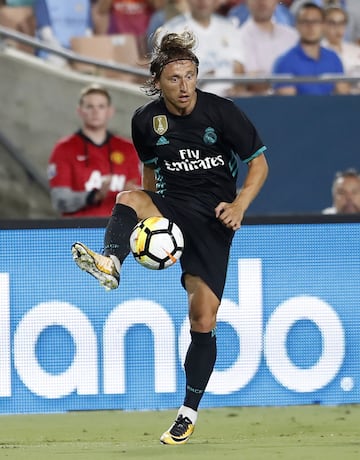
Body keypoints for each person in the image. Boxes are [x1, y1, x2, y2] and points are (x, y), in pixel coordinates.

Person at [71, 31, 268, 444]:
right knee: (129, 196)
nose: (184, 86)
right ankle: (111, 261)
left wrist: (240, 206)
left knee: (203, 319)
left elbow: (259, 165)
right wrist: (155, 228)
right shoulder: (146, 120)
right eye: (175, 78)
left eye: (190, 76)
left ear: (197, 76)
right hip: (175, 209)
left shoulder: (223, 112)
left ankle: (188, 413)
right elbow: (148, 177)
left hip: (215, 221)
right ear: (158, 81)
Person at [48, 84, 141, 218]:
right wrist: (95, 195)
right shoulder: (64, 148)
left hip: (121, 228)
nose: (95, 112)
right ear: (80, 111)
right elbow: (60, 201)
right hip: (79, 230)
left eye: (101, 106)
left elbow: (141, 192)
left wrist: (134, 194)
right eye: (89, 106)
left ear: (110, 111)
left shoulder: (127, 148)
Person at [155, 0, 246, 96]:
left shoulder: (230, 27)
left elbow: (239, 66)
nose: (202, 1)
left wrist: (237, 90)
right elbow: (164, 76)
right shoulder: (171, 31)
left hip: (230, 100)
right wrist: (198, 81)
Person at [273, 2, 350, 95]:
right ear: (297, 25)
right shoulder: (285, 62)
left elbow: (343, 97)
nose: (311, 27)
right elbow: (288, 105)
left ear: (323, 25)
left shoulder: (334, 58)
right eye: (305, 22)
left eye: (316, 21)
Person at [231, 0, 298, 95]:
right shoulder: (238, 37)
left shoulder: (292, 36)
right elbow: (254, 81)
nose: (262, 2)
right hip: (261, 102)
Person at [34, 0, 93, 67]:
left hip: (78, 53)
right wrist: (65, 55)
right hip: (52, 52)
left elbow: (88, 34)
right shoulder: (43, 1)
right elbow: (46, 34)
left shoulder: (85, 1)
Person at [322, 5, 360, 93]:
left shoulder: (355, 50)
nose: (338, 28)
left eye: (342, 23)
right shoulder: (318, 51)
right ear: (323, 25)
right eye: (332, 23)